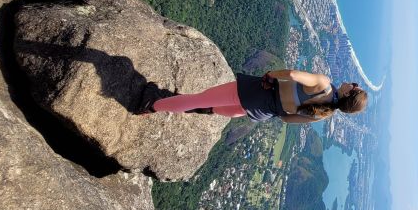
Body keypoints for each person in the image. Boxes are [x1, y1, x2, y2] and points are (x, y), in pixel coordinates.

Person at [137, 69, 367, 123]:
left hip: (257, 91)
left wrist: (269, 76)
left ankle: (151, 104)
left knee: (199, 99)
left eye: (354, 85)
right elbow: (287, 119)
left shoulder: (324, 83)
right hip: (262, 111)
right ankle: (181, 105)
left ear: (348, 92)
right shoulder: (324, 114)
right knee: (213, 108)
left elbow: (291, 74)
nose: (351, 82)